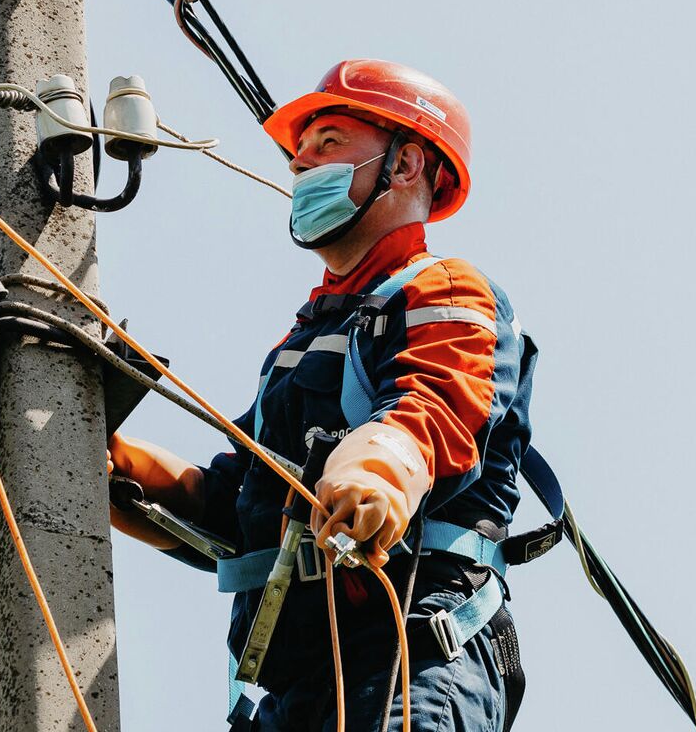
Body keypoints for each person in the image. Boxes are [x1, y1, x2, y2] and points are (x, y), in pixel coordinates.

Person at [110, 59, 535, 732]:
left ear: (405, 166)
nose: (301, 164)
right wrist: (115, 471)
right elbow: (239, 505)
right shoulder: (308, 337)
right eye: (300, 152)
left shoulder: (443, 288)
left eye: (328, 142)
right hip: (298, 689)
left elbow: (432, 411)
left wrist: (377, 473)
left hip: (407, 661)